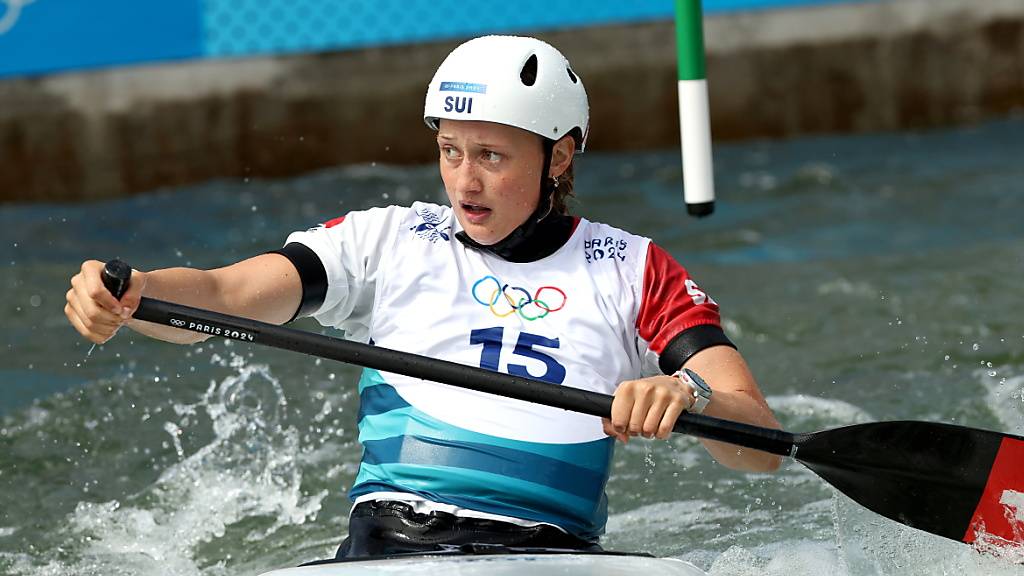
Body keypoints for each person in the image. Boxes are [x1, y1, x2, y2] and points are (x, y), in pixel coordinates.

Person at [65, 35, 781, 557]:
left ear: (559, 155)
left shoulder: (635, 270)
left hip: (552, 556)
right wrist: (137, 293)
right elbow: (225, 293)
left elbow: (763, 446)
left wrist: (691, 398)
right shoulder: (389, 241)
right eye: (450, 151)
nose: (464, 182)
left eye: (492, 156)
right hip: (387, 548)